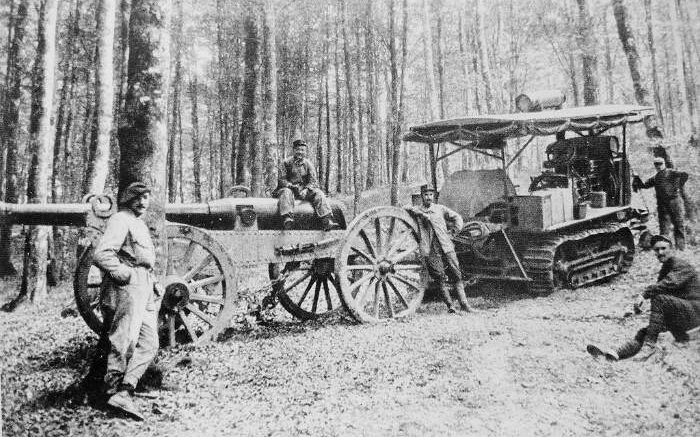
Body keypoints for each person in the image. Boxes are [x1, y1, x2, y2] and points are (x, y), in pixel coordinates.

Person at [91, 182, 161, 420]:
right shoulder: (120, 219)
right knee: (124, 340)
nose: (142, 202)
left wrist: (153, 282)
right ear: (127, 201)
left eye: (146, 198)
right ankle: (111, 391)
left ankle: (125, 390)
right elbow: (102, 254)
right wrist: (123, 273)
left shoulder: (138, 223)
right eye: (137, 198)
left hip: (145, 285)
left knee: (150, 343)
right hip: (128, 285)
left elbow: (144, 259)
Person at [587, 235, 700, 361]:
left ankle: (649, 346)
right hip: (682, 314)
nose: (660, 253)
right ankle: (615, 354)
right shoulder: (666, 268)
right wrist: (639, 309)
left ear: (671, 249)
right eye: (657, 250)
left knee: (660, 300)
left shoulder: (681, 265)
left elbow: (667, 284)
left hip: (695, 312)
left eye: (663, 248)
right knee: (646, 332)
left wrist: (643, 295)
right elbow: (659, 294)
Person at [406, 184, 476, 313]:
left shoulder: (440, 209)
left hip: (446, 247)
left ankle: (465, 305)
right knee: (439, 278)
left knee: (456, 275)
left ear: (434, 196)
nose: (428, 197)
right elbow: (405, 210)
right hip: (430, 250)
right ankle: (450, 306)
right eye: (426, 195)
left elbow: (457, 218)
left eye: (431, 195)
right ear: (422, 196)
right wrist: (415, 211)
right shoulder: (417, 211)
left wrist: (453, 232)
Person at [276, 139, 338, 231]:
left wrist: (306, 189)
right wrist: (290, 185)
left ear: (305, 151)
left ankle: (326, 219)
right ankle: (287, 218)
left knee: (319, 193)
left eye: (302, 150)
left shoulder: (308, 164)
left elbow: (313, 181)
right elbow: (282, 180)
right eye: (298, 149)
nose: (300, 152)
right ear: (293, 150)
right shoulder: (286, 163)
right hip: (289, 190)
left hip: (304, 191)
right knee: (286, 192)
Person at [633, 156, 689, 250]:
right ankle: (664, 247)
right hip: (662, 205)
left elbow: (685, 175)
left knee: (679, 224)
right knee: (664, 227)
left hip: (674, 202)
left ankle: (680, 248)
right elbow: (644, 185)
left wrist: (679, 185)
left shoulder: (671, 172)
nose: (658, 166)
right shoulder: (656, 177)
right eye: (656, 165)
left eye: (660, 164)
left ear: (664, 164)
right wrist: (637, 178)